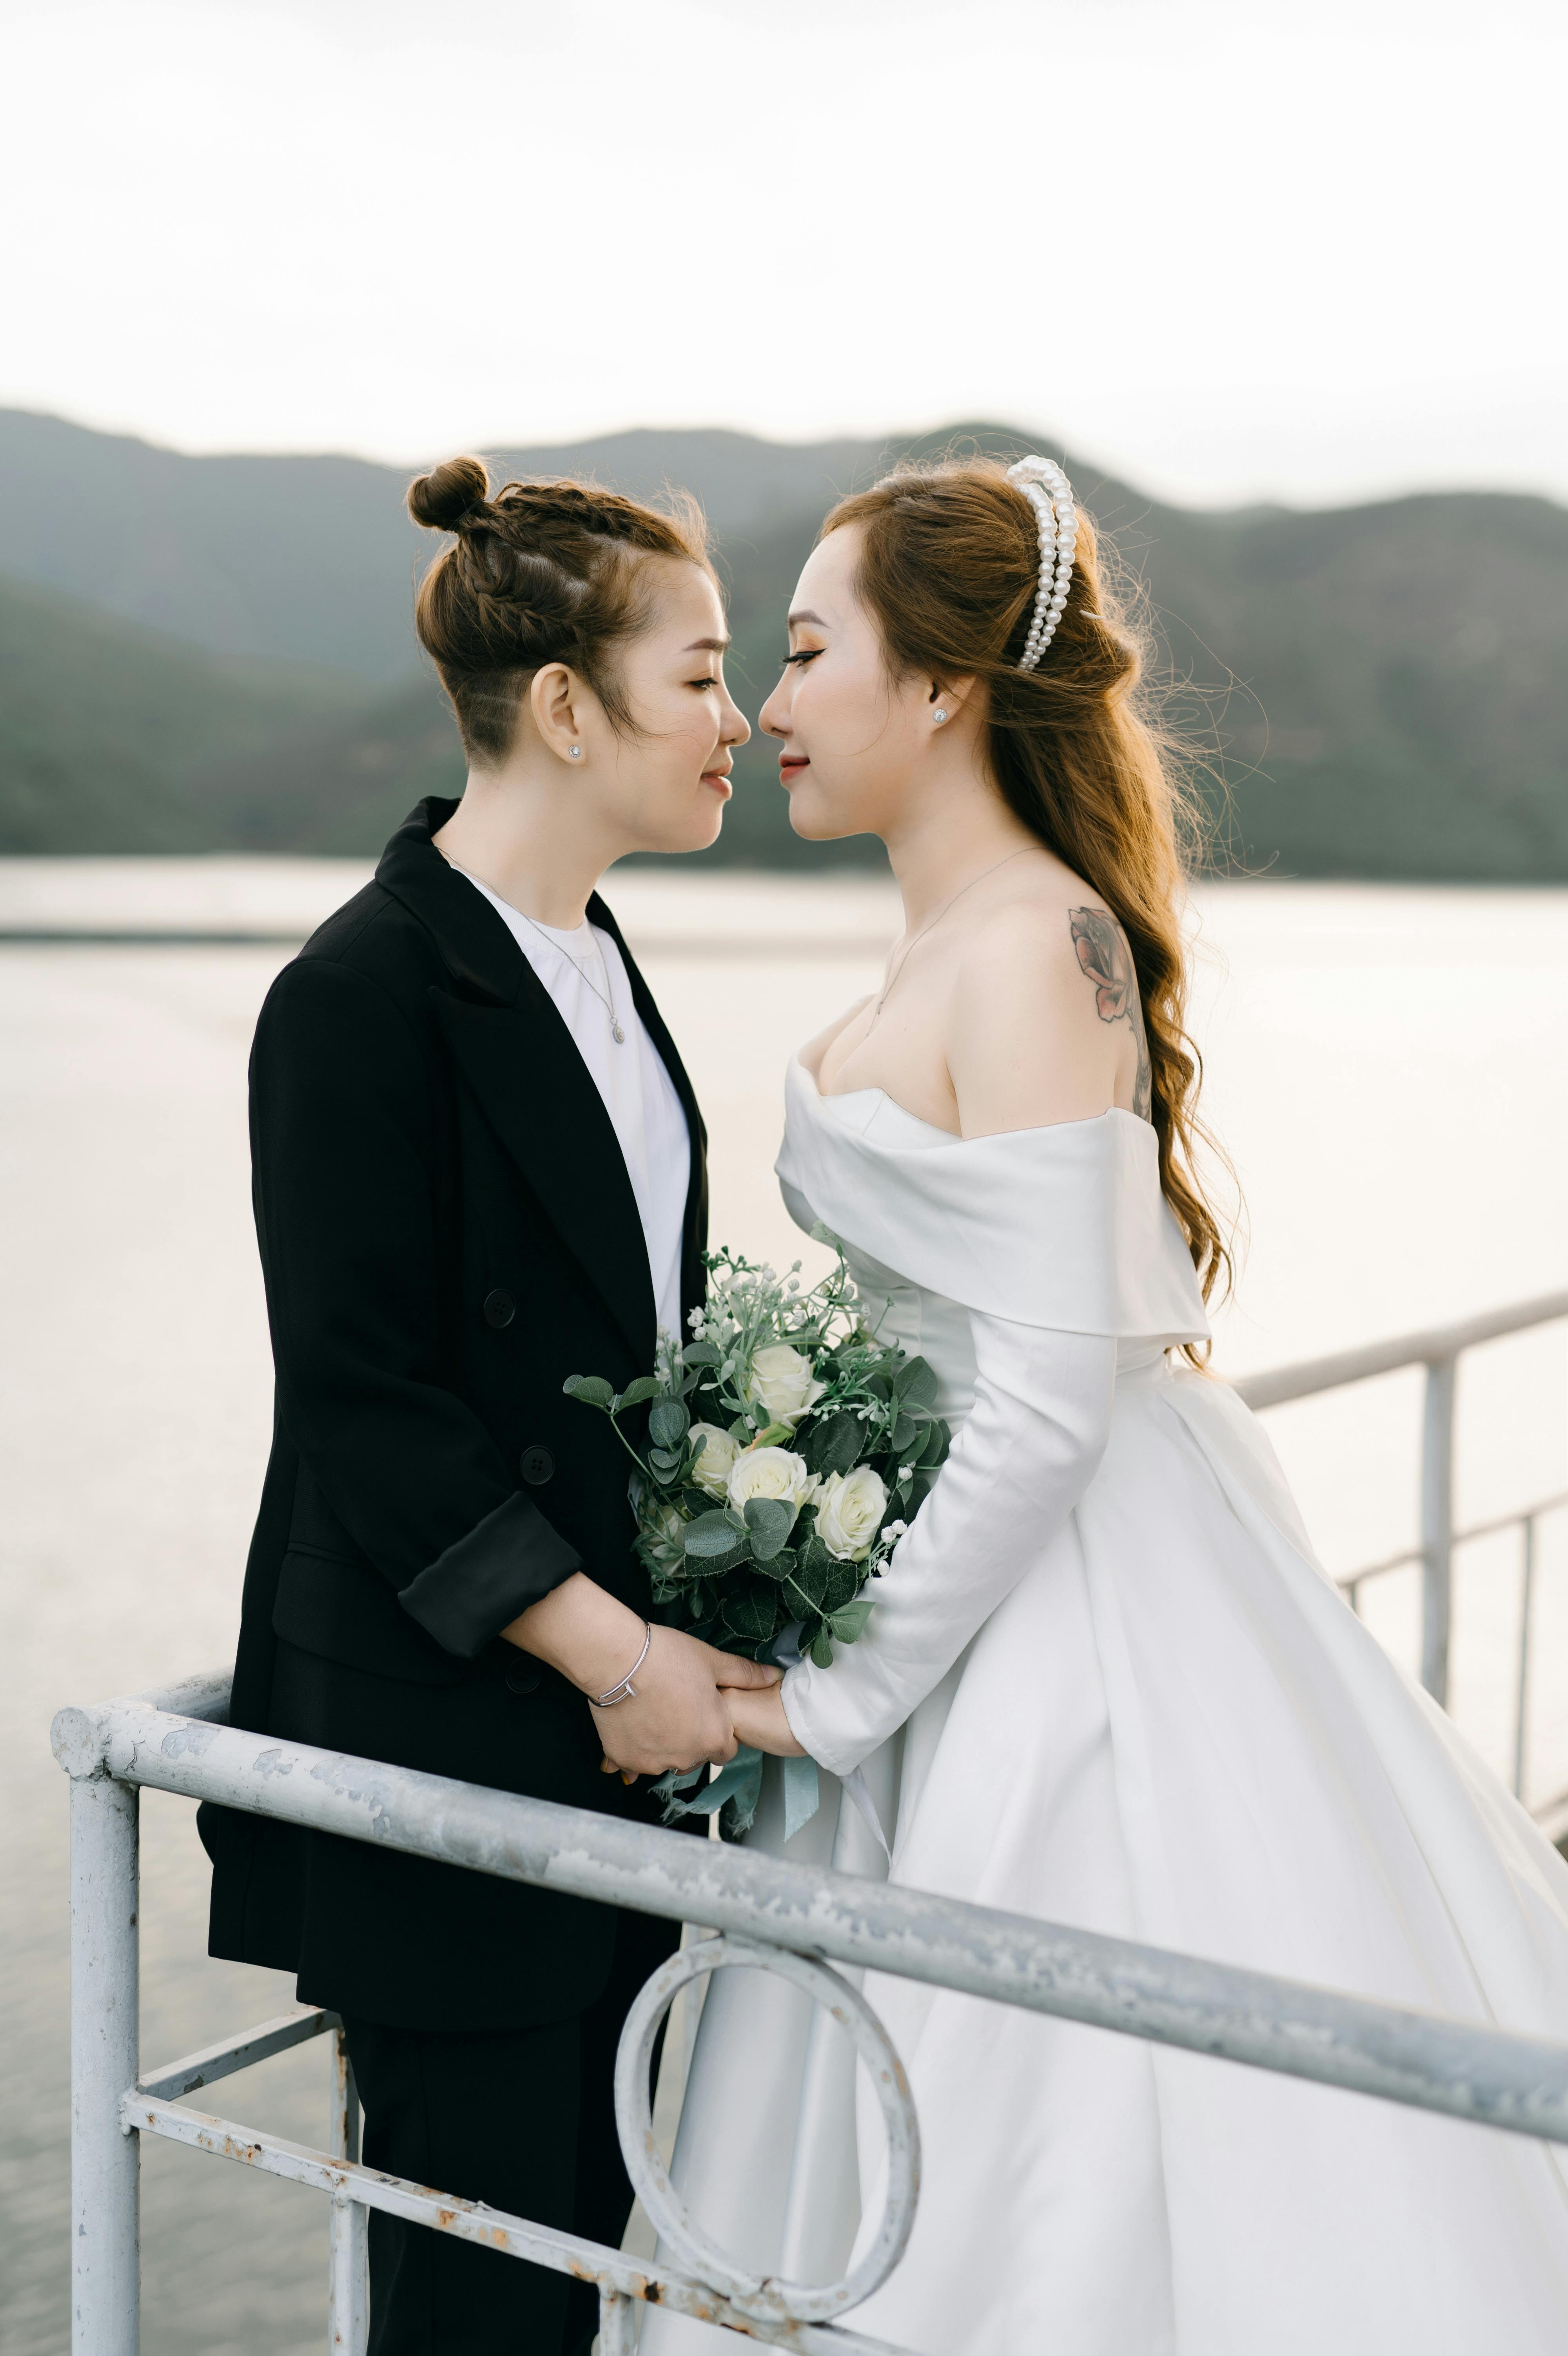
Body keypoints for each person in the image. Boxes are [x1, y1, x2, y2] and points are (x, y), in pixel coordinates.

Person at [646, 456, 1568, 2354]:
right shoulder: (950, 943)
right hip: (959, 1578)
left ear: (943, 691)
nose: (774, 707)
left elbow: (1057, 1387)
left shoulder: (1038, 948)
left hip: (1071, 1613)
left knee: (1073, 2113)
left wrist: (834, 1688)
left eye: (812, 655)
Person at [198, 455, 778, 2356]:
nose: (737, 718)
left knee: (584, 2264)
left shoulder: (597, 960)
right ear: (559, 705)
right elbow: (367, 1411)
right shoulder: (359, 994)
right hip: (454, 1756)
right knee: (478, 2304)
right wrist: (617, 1660)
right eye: (696, 675)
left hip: (613, 1746)